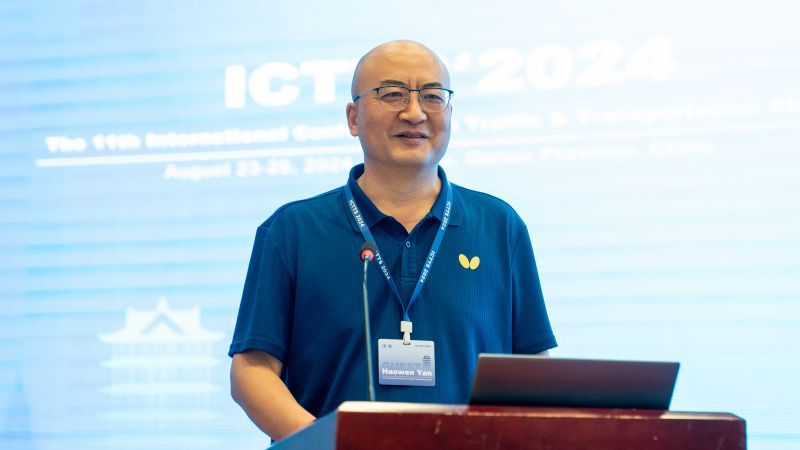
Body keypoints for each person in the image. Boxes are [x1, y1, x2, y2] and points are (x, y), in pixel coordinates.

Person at [228, 40, 556, 441]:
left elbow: (532, 368)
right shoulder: (292, 230)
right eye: (393, 94)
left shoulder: (499, 226)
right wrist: (327, 445)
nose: (415, 112)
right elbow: (253, 369)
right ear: (353, 117)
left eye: (432, 96)